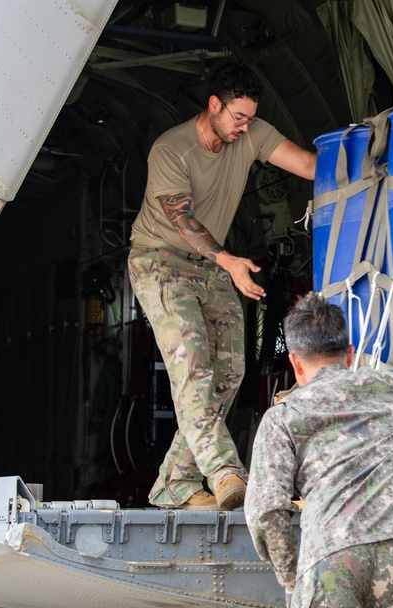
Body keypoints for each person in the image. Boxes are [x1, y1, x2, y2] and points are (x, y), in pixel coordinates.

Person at [128, 62, 316, 511]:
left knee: (229, 373)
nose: (244, 127)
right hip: (160, 260)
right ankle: (225, 471)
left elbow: (309, 165)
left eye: (250, 118)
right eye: (237, 117)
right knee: (193, 367)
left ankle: (174, 482)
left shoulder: (251, 131)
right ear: (214, 105)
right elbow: (184, 221)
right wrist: (228, 260)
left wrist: (370, 151)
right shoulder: (171, 150)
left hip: (211, 264)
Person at [245, 294, 393, 608]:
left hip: (332, 559)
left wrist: (292, 579)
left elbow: (266, 512)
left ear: (294, 362)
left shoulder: (286, 416)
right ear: (349, 353)